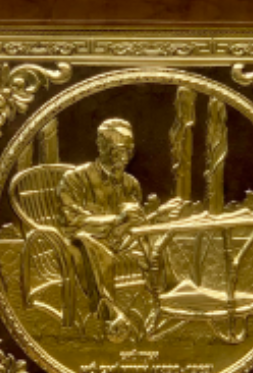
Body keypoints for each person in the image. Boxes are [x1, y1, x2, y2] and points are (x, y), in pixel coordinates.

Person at [58, 118, 182, 340]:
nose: (124, 155)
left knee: (154, 239)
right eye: (117, 149)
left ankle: (171, 295)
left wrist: (157, 215)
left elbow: (133, 225)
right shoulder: (74, 179)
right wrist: (117, 220)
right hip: (82, 243)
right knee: (87, 242)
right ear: (101, 146)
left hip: (119, 241)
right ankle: (109, 311)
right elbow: (73, 221)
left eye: (128, 149)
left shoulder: (130, 183)